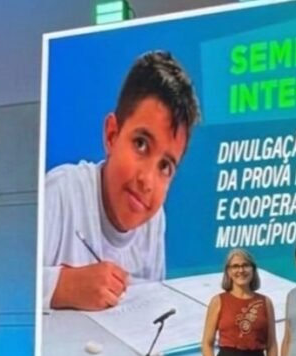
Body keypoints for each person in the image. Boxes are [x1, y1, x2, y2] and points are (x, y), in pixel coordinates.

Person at [42, 50, 200, 310]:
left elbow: (149, 310)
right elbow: (7, 286)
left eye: (165, 166)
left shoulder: (154, 221)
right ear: (112, 135)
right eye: (141, 144)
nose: (147, 181)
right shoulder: (60, 193)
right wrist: (62, 286)